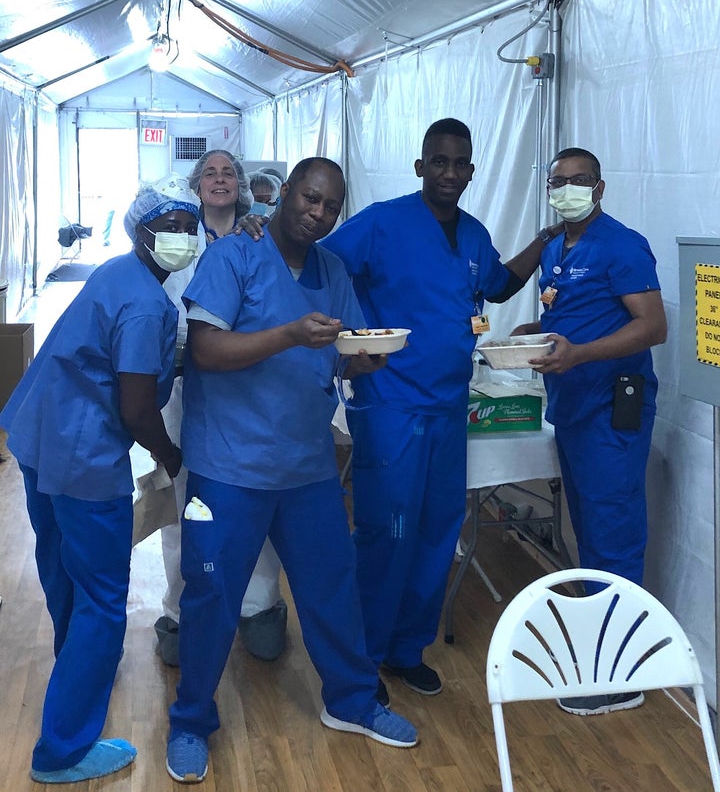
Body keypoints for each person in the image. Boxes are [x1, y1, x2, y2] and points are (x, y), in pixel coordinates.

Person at [165, 157, 418, 784]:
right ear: (281, 196)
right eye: (310, 199)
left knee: (331, 587)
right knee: (212, 595)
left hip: (304, 464)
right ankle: (192, 720)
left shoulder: (332, 271)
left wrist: (360, 360)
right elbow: (204, 350)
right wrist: (287, 336)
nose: (319, 214)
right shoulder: (234, 257)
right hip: (231, 462)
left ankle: (352, 701)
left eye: (331, 207)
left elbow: (339, 351)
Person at [320, 118, 563, 704]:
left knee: (435, 533)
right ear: (421, 166)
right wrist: (347, 341)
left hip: (450, 407)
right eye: (440, 162)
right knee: (387, 533)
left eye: (461, 164)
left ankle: (408, 650)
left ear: (472, 171)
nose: (450, 173)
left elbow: (501, 285)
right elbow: (319, 263)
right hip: (391, 403)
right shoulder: (382, 223)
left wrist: (548, 238)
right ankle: (365, 657)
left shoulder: (474, 234)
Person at [0, 174, 200, 783]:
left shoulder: (119, 272)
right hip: (85, 460)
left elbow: (110, 352)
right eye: (168, 228)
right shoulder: (146, 302)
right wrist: (174, 459)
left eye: (190, 229)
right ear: (140, 230)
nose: (182, 238)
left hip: (38, 436)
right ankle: (61, 750)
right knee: (104, 600)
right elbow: (138, 409)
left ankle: (76, 668)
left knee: (63, 570)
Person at [511, 146, 667, 717]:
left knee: (614, 535)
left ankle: (622, 673)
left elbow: (653, 327)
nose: (568, 189)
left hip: (611, 410)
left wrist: (580, 355)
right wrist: (537, 331)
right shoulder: (556, 246)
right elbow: (568, 316)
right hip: (573, 409)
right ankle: (599, 648)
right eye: (559, 181)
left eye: (580, 181)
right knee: (589, 533)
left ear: (600, 188)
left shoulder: (622, 245)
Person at [154, 149, 288, 666]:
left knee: (256, 496)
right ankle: (180, 612)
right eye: (209, 172)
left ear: (243, 185)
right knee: (182, 501)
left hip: (246, 388)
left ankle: (259, 606)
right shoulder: (175, 238)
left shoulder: (261, 235)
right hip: (185, 388)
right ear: (195, 183)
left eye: (228, 172)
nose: (219, 179)